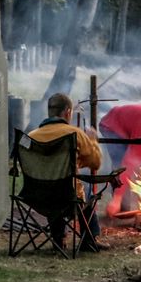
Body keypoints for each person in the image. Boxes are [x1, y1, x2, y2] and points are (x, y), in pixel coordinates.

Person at [28, 93, 109, 251]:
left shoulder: (31, 136)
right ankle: (89, 240)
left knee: (52, 183)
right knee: (86, 190)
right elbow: (95, 163)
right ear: (68, 112)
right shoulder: (75, 134)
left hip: (36, 196)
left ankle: (58, 240)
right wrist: (92, 140)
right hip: (67, 197)